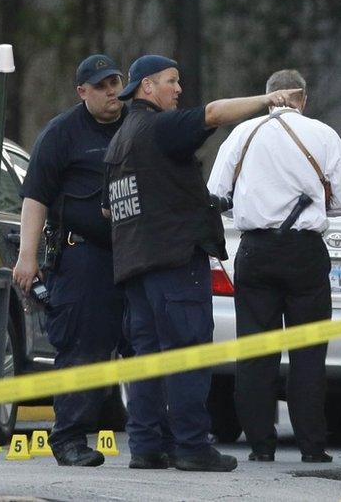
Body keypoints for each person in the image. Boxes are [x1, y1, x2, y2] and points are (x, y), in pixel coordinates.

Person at [102, 55, 302, 473]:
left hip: (135, 267)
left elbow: (110, 208)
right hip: (174, 262)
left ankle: (147, 446)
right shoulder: (160, 127)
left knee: (146, 357)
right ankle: (192, 446)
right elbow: (212, 114)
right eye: (172, 82)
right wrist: (268, 98)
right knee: (188, 351)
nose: (178, 90)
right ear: (147, 87)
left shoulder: (121, 139)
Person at [207, 69, 341, 464]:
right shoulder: (323, 135)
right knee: (308, 353)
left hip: (255, 250)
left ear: (268, 96)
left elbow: (216, 193)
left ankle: (261, 445)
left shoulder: (241, 135)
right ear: (303, 99)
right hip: (305, 252)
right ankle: (312, 446)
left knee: (255, 353)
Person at [11, 54, 127, 467]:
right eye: (101, 86)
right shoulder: (63, 133)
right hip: (84, 256)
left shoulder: (136, 125)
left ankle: (157, 440)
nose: (112, 91)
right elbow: (35, 197)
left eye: (115, 82)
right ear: (83, 92)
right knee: (83, 347)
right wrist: (27, 257)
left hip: (135, 254)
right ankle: (71, 438)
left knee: (147, 345)